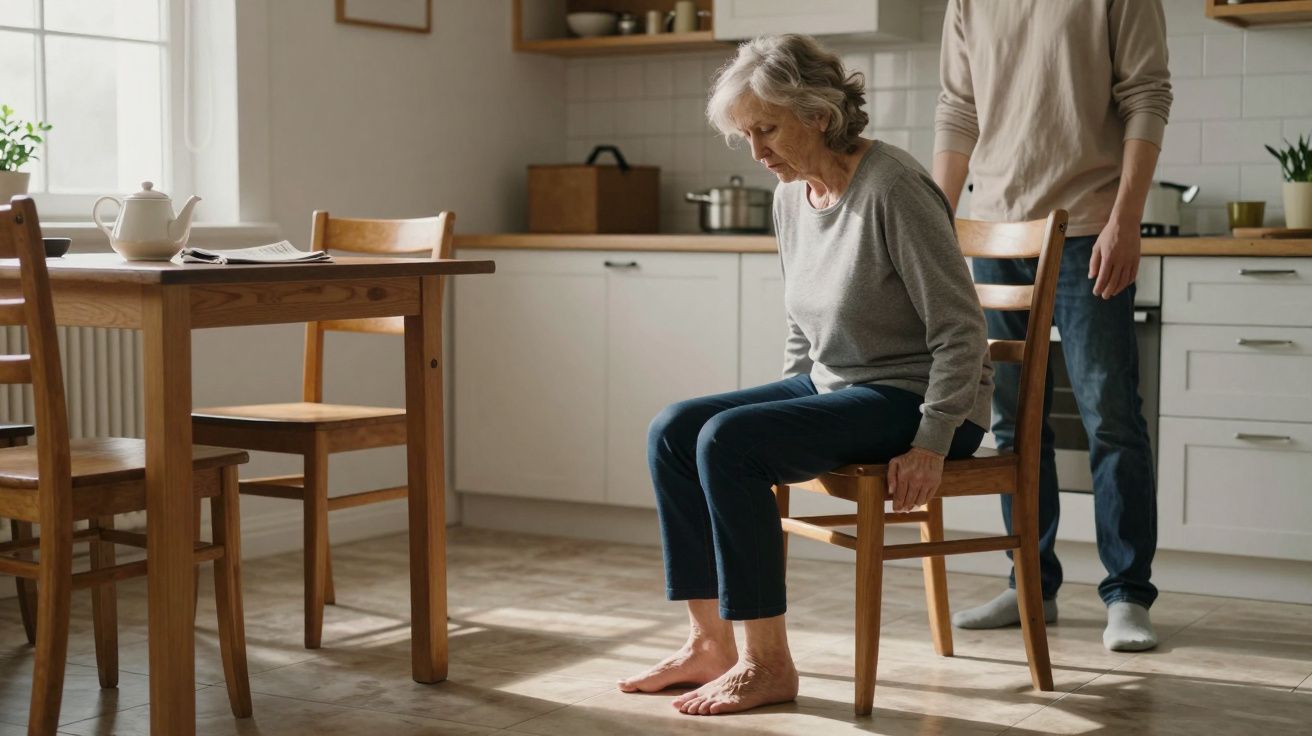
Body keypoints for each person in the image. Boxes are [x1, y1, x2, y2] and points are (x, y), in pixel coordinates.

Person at [617, 33, 993, 716]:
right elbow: (803, 322)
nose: (756, 151)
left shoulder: (896, 188)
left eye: (766, 129)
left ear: (818, 114)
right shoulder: (792, 197)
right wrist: (791, 404)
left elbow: (962, 331)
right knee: (676, 429)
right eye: (745, 135)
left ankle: (767, 665)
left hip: (920, 399)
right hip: (838, 386)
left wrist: (934, 438)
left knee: (729, 442)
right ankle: (709, 643)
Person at [931, 0, 1171, 652]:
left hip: (1090, 224)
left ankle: (1126, 593)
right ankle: (1030, 582)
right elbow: (958, 110)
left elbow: (1147, 95)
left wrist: (1129, 217)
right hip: (996, 232)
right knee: (1011, 420)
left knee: (1110, 413)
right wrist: (931, 226)